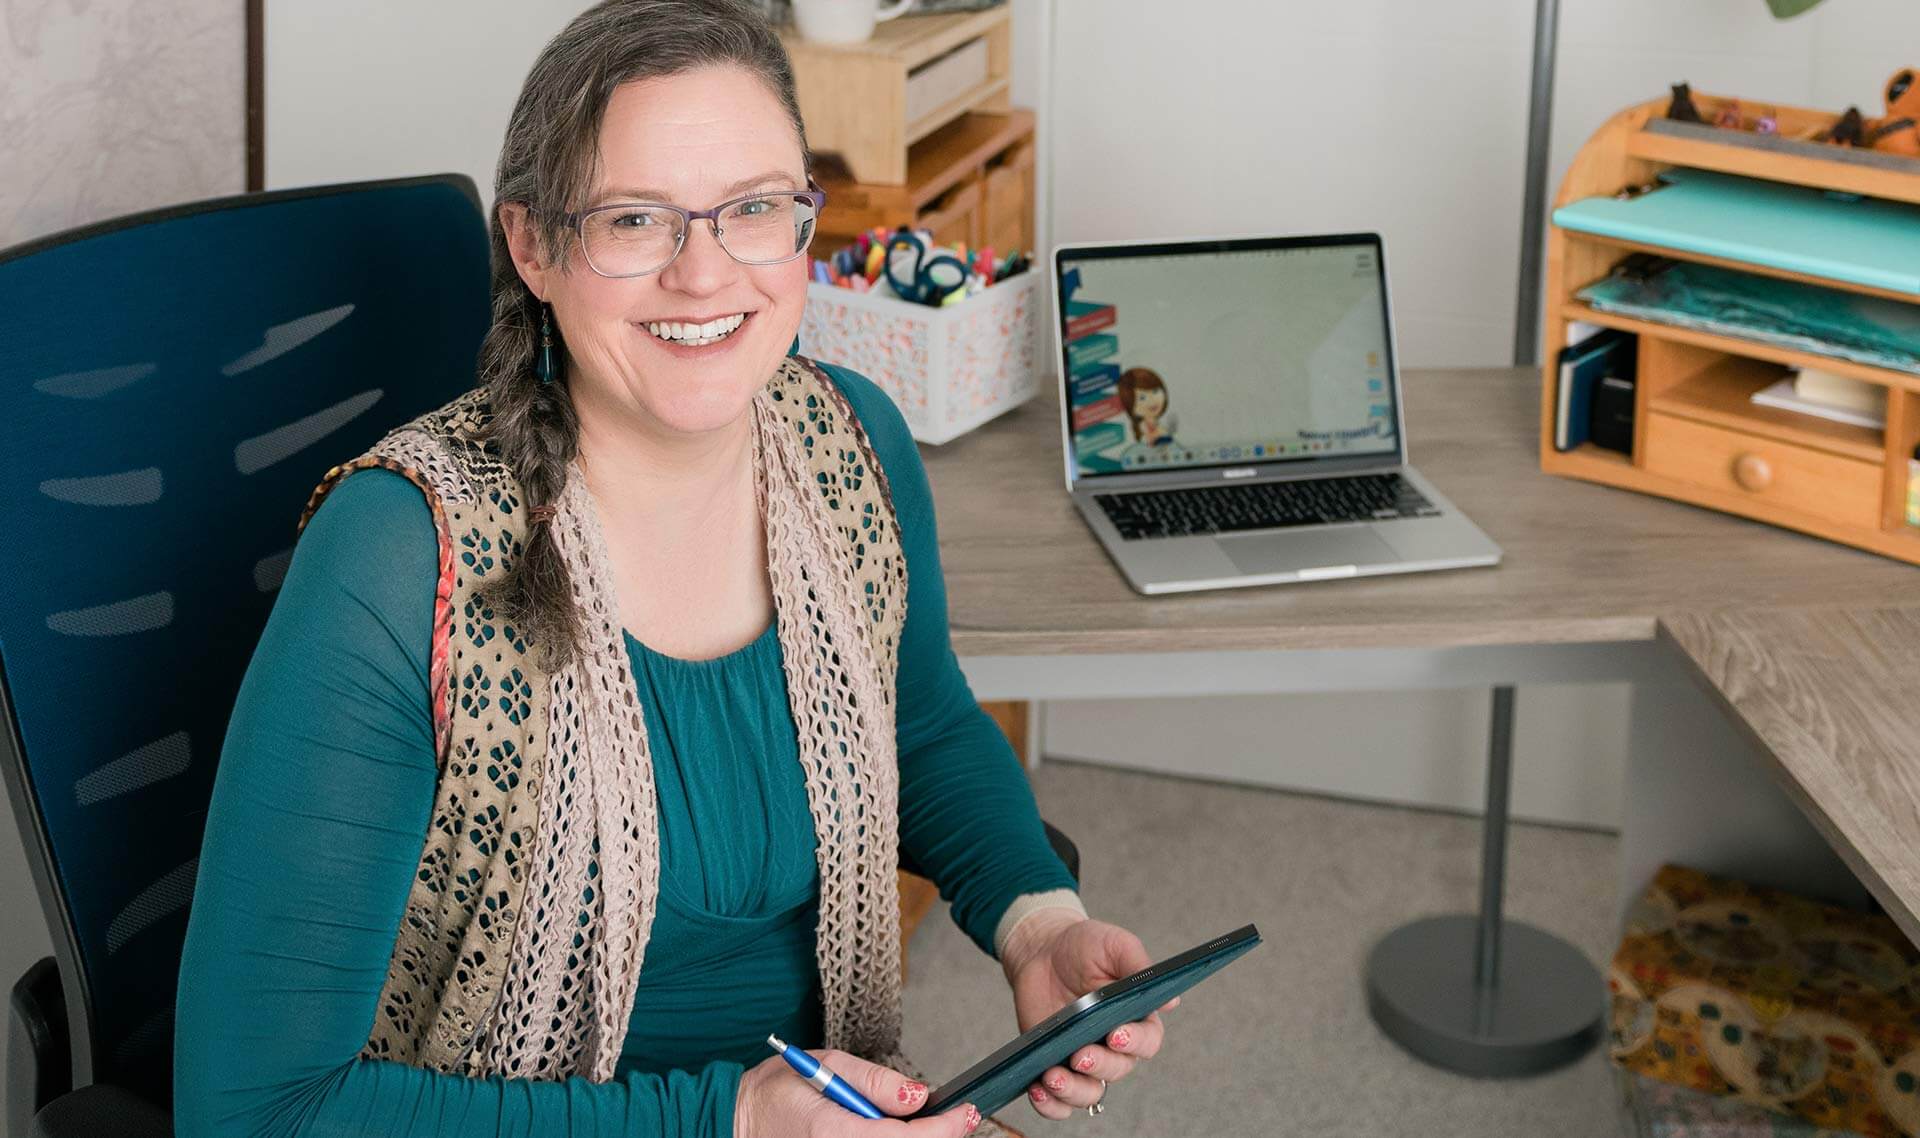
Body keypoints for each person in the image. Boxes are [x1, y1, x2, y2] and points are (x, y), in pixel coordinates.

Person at [173, 2, 1171, 1136]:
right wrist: (729, 1120)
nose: (706, 275)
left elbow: (925, 724)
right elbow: (254, 1108)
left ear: (805, 226)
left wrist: (1036, 921)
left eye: (753, 209)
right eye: (637, 219)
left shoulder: (854, 446)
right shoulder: (399, 557)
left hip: (830, 1105)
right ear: (534, 247)